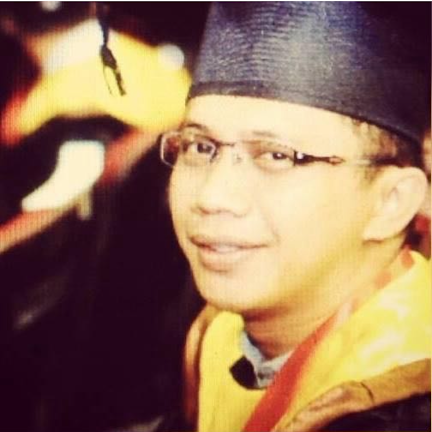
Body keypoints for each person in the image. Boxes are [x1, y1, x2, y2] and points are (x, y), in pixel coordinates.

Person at [160, 3, 431, 432]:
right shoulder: (218, 336)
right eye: (199, 147)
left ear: (391, 203)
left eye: (277, 156)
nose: (212, 196)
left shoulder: (409, 402)